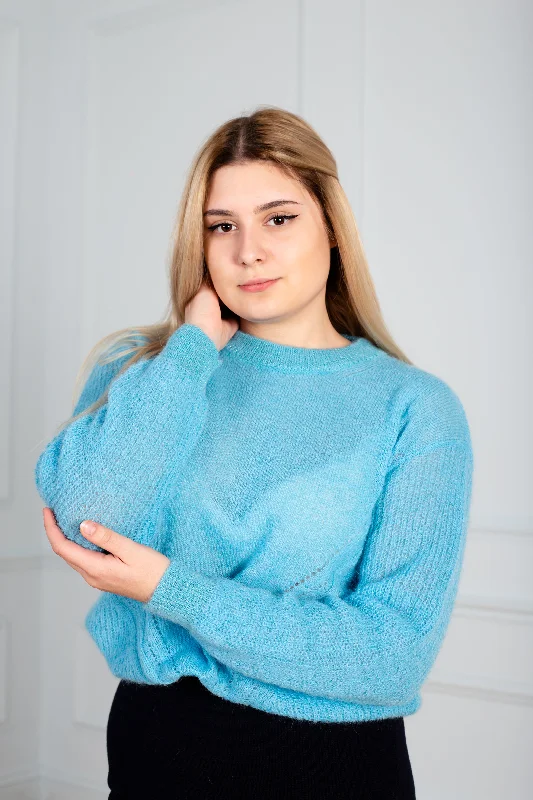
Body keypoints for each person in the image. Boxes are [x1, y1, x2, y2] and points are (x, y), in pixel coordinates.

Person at [35, 106, 474, 798]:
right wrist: (189, 354)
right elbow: (89, 516)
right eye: (220, 226)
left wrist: (172, 591)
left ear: (330, 226)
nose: (248, 251)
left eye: (278, 218)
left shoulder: (413, 407)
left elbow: (391, 656)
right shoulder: (148, 369)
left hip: (332, 767)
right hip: (160, 747)